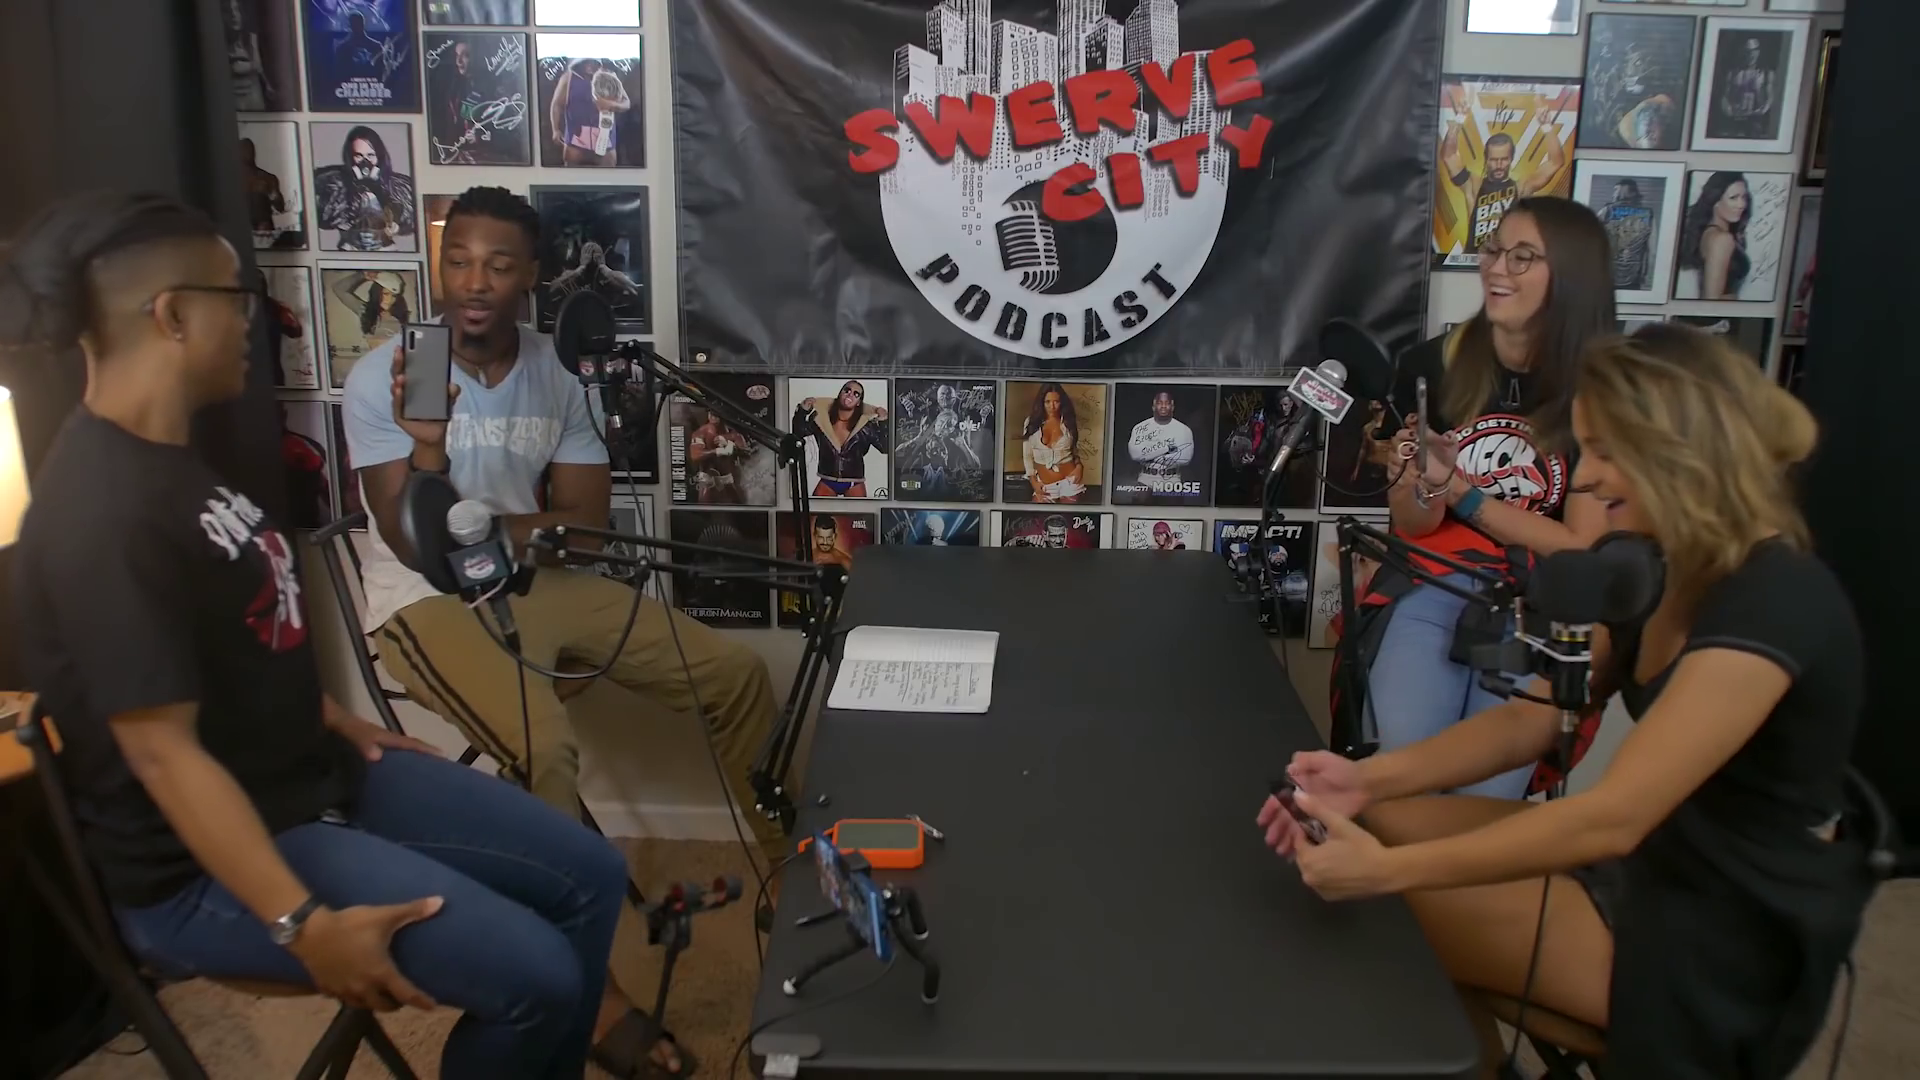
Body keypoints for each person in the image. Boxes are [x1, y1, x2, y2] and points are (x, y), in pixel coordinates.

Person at [0, 191, 630, 1078]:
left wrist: (333, 716)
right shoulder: (100, 512)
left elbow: (240, 640)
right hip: (211, 867)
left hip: (313, 777)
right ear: (172, 316)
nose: (254, 323)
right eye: (236, 298)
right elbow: (161, 756)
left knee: (592, 875)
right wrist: (301, 923)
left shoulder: (174, 465)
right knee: (541, 977)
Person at [1261, 323, 1872, 1079]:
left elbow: (1614, 816)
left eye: (1606, 454)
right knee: (1361, 823)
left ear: (1683, 451)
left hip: (1727, 927)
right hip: (1654, 865)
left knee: (1376, 903)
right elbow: (1533, 718)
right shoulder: (1657, 566)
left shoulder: (1774, 600)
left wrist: (1388, 873)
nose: (1587, 480)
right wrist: (1365, 780)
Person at [343, 186, 775, 1078]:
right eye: (458, 260)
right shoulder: (400, 370)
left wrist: (499, 530)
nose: (474, 281)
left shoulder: (554, 370)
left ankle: (795, 886)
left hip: (535, 580)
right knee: (544, 749)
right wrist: (433, 453)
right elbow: (417, 544)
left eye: (498, 265)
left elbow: (588, 524)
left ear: (531, 276)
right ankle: (593, 998)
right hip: (424, 602)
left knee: (736, 675)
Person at [1362, 197, 1614, 799]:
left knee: (1486, 795)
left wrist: (1466, 495)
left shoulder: (1606, 386)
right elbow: (1415, 527)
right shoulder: (1431, 364)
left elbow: (1582, 549)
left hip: (1540, 604)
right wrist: (1417, 479)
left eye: (1522, 257)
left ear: (1572, 276)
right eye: (1495, 250)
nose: (1497, 268)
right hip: (1437, 583)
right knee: (1402, 767)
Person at [795, 380, 888, 497]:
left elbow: (885, 448)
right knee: (815, 509)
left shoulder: (866, 425)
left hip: (854, 482)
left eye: (856, 394)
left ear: (859, 402)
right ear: (840, 394)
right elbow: (798, 433)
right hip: (827, 480)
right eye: (847, 390)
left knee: (858, 509)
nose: (850, 395)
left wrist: (883, 423)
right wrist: (802, 411)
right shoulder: (821, 419)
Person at [1677, 171, 1753, 301]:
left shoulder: (1712, 234)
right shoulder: (1722, 239)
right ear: (1715, 200)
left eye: (1744, 197)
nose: (1741, 205)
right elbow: (1711, 300)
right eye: (1733, 198)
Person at [1020, 382, 1085, 503]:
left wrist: (1079, 467)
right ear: (1042, 402)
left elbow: (1074, 451)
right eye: (1047, 402)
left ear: (1062, 402)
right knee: (1038, 513)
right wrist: (1033, 482)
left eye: (1056, 401)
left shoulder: (1068, 422)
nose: (1052, 406)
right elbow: (1027, 456)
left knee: (1070, 514)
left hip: (1070, 483)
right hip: (1045, 485)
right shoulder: (1031, 423)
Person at [1125, 390, 1195, 495]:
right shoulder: (1140, 428)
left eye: (1167, 403)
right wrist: (1167, 449)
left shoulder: (1184, 430)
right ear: (1153, 407)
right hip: (1145, 480)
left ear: (1172, 407)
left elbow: (1185, 458)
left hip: (1172, 481)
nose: (1163, 406)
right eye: (1159, 403)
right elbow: (1135, 455)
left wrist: (1149, 454)